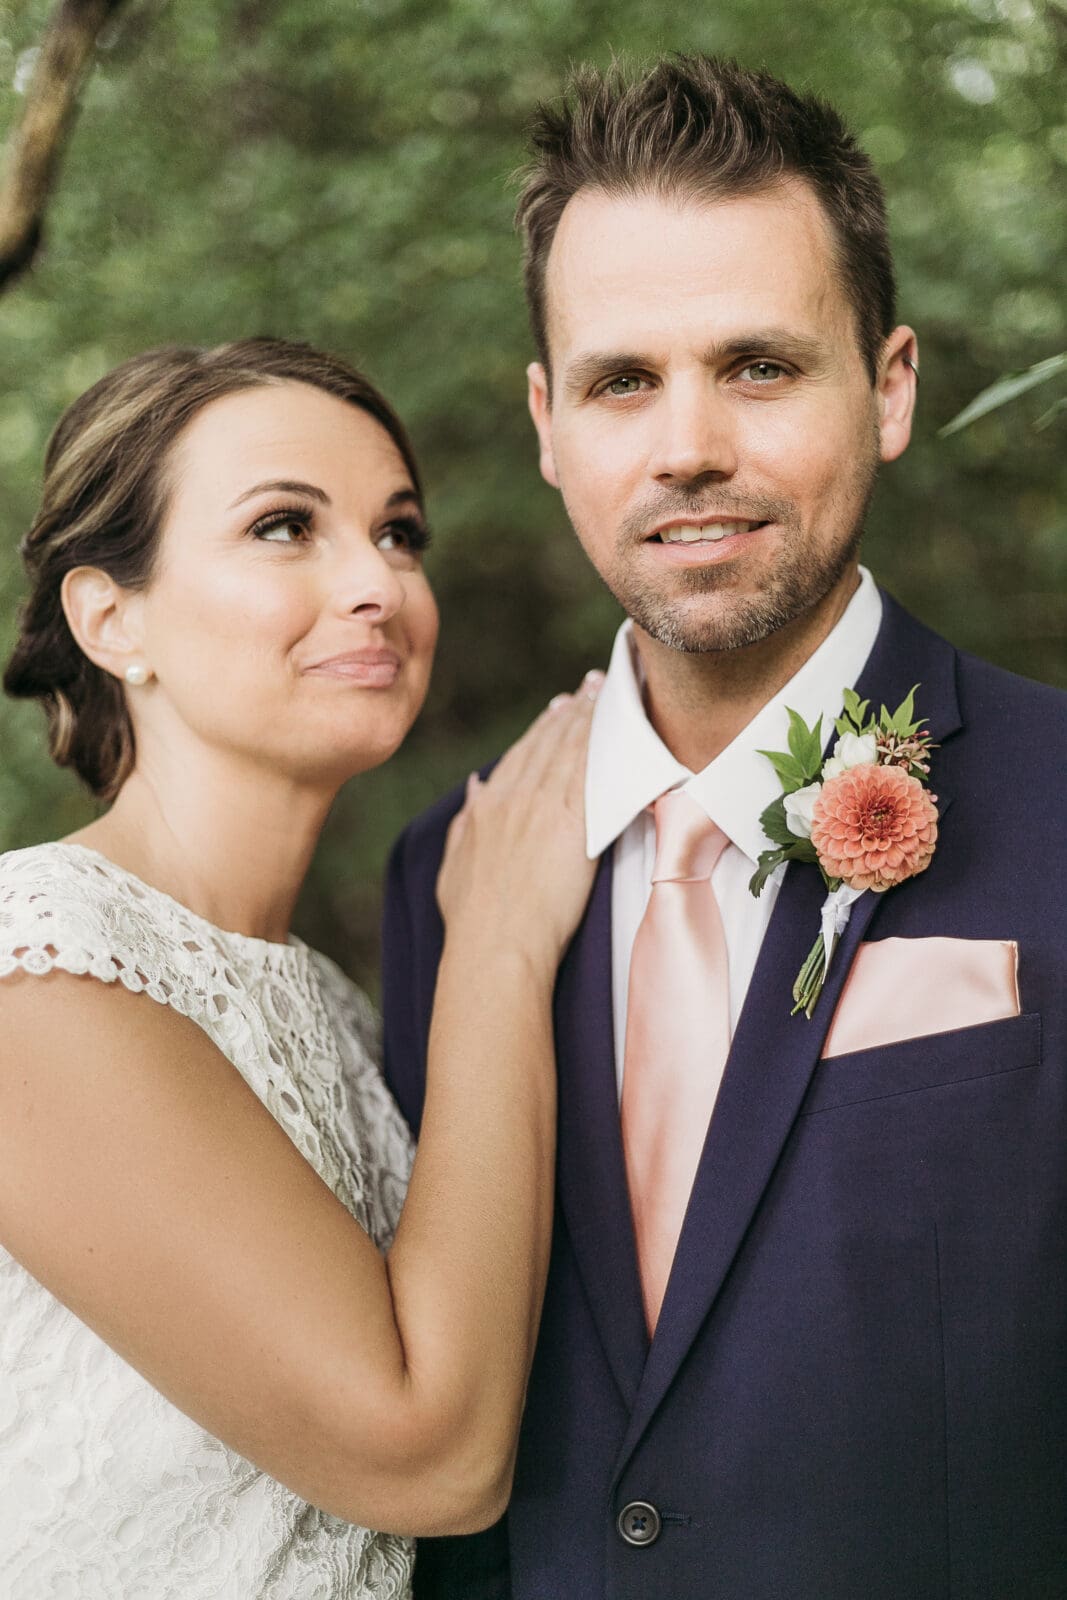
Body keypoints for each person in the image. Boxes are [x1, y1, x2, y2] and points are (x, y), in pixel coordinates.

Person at [381, 56, 1067, 1600]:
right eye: (623, 381)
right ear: (549, 425)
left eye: (756, 366)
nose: (684, 445)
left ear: (885, 387)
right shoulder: (443, 868)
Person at [0, 336, 600, 1599]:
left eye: (397, 532)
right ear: (111, 618)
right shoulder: (36, 972)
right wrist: (497, 940)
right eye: (285, 526)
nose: (375, 583)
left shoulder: (331, 1003)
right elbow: (428, 1457)